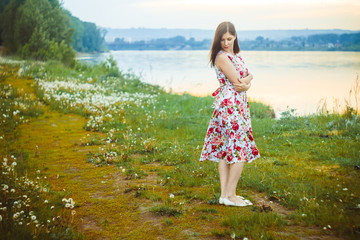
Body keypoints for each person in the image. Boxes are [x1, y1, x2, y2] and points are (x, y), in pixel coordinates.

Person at [199, 21, 260, 207]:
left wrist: (248, 81)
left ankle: (225, 196)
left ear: (235, 38)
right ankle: (231, 195)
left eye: (229, 39)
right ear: (218, 40)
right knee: (238, 147)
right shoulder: (222, 57)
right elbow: (237, 81)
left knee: (228, 149)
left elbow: (247, 77)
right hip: (229, 105)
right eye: (222, 39)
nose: (225, 43)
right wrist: (247, 81)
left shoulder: (235, 56)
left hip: (237, 104)